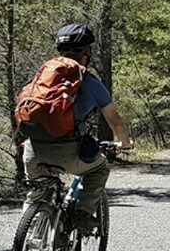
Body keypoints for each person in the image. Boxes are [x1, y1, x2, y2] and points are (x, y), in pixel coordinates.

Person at [21, 23, 132, 230]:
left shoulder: (43, 77)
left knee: (36, 196)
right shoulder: (91, 83)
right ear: (87, 52)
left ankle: (28, 246)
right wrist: (124, 144)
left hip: (33, 150)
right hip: (68, 153)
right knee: (99, 168)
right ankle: (84, 213)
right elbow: (115, 121)